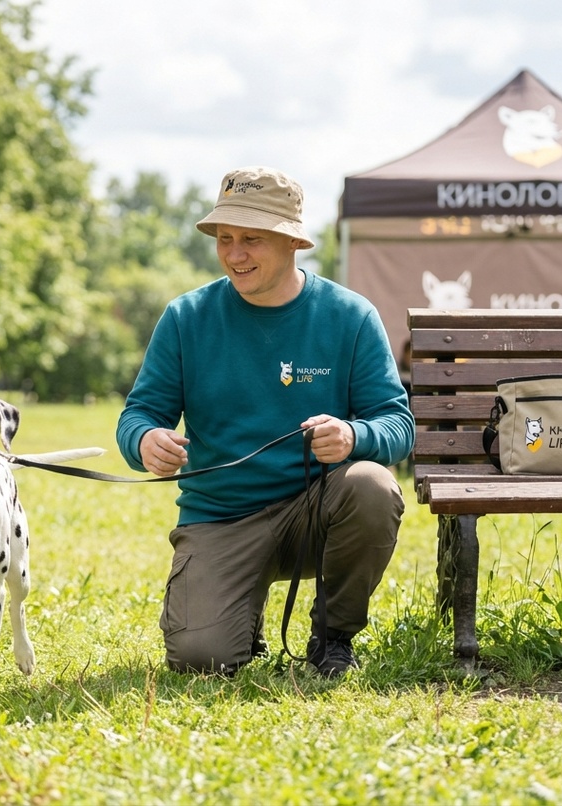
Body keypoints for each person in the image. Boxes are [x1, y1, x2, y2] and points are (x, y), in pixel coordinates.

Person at [115, 166, 414, 677]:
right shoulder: (186, 317)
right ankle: (238, 613)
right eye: (224, 238)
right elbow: (139, 414)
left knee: (373, 485)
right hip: (220, 518)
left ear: (293, 241)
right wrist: (144, 440)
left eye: (252, 239)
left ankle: (333, 637)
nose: (235, 254)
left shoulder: (351, 316)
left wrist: (354, 435)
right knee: (201, 659)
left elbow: (397, 424)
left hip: (318, 511)